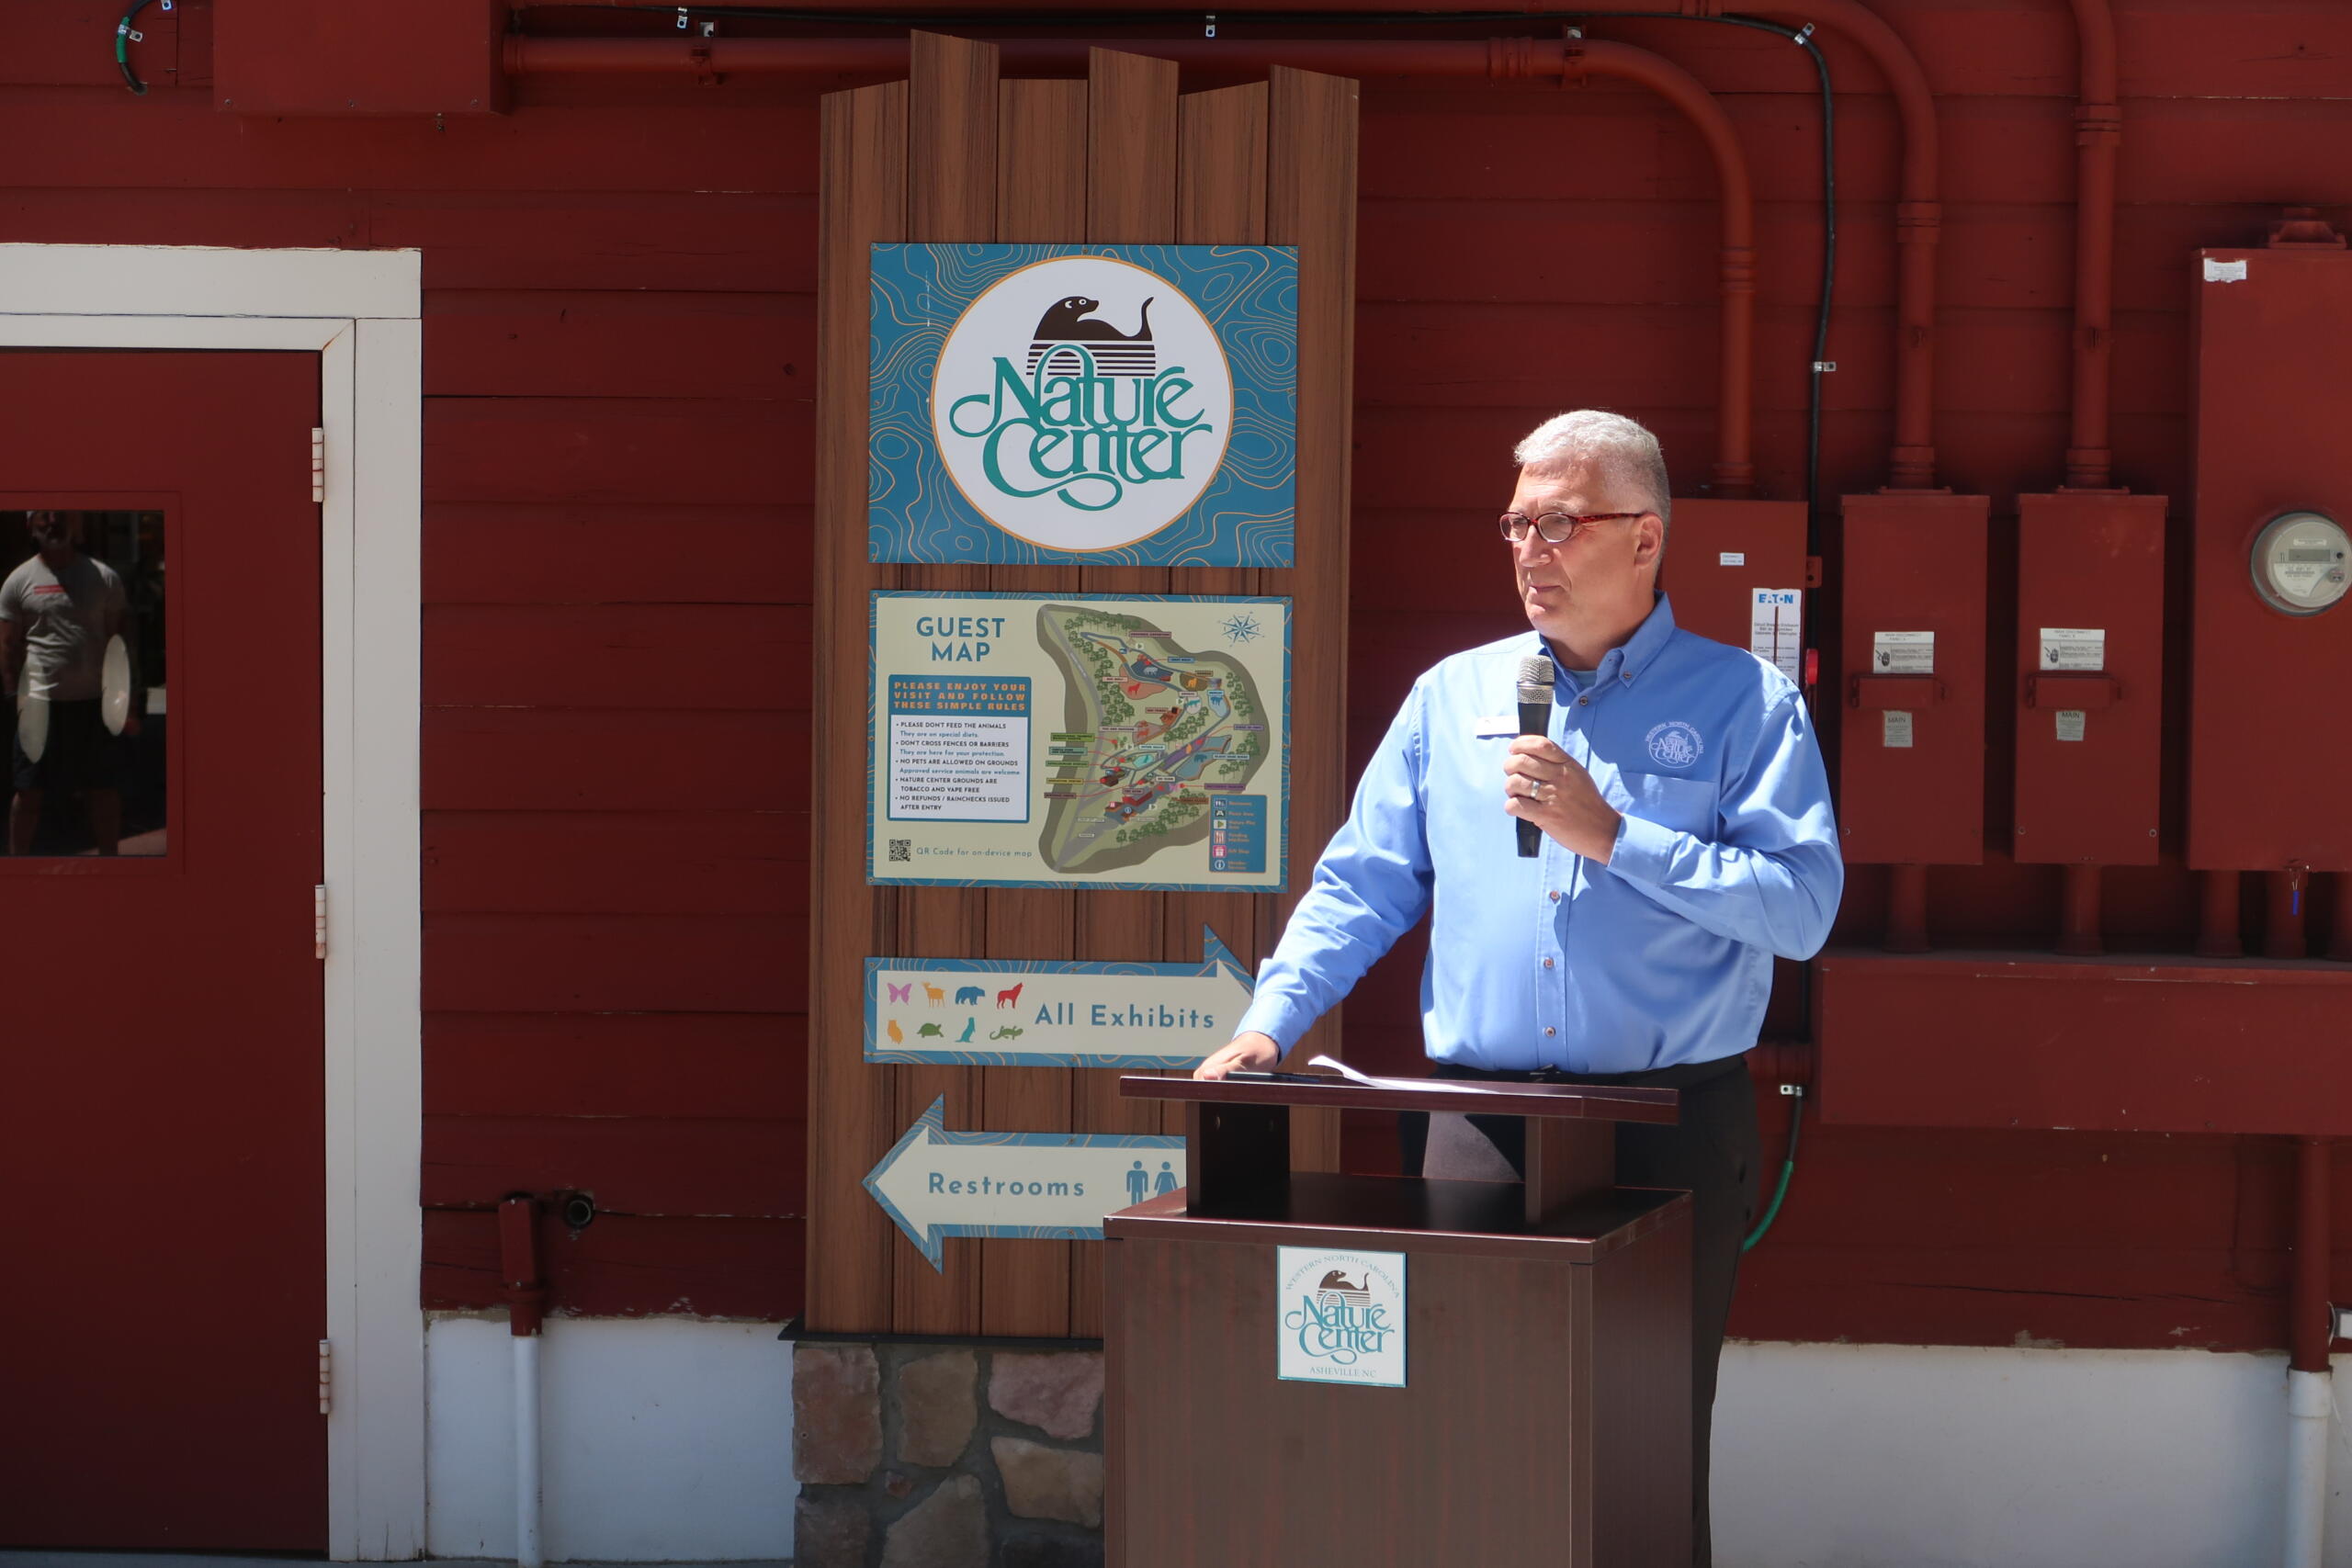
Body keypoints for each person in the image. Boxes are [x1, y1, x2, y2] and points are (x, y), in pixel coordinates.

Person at [1195, 410, 1842, 1564]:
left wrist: (1614, 835)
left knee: (1640, 1446)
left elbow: (1798, 911)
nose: (1528, 549)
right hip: (1477, 1124)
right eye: (1514, 523)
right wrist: (1267, 1026)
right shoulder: (1452, 695)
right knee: (1462, 1426)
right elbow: (1363, 885)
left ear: (1643, 539)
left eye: (1558, 521)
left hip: (1665, 1125)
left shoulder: (1745, 702)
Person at [0, 512, 134, 855]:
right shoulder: (18, 581)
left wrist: (128, 702)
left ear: (77, 527)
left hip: (95, 704)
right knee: (28, 792)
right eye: (43, 517)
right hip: (38, 707)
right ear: (31, 527)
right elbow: (7, 646)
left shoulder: (104, 577)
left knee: (102, 789)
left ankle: (110, 864)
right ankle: (18, 868)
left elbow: (119, 642)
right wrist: (13, 696)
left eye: (61, 516)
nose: (53, 522)